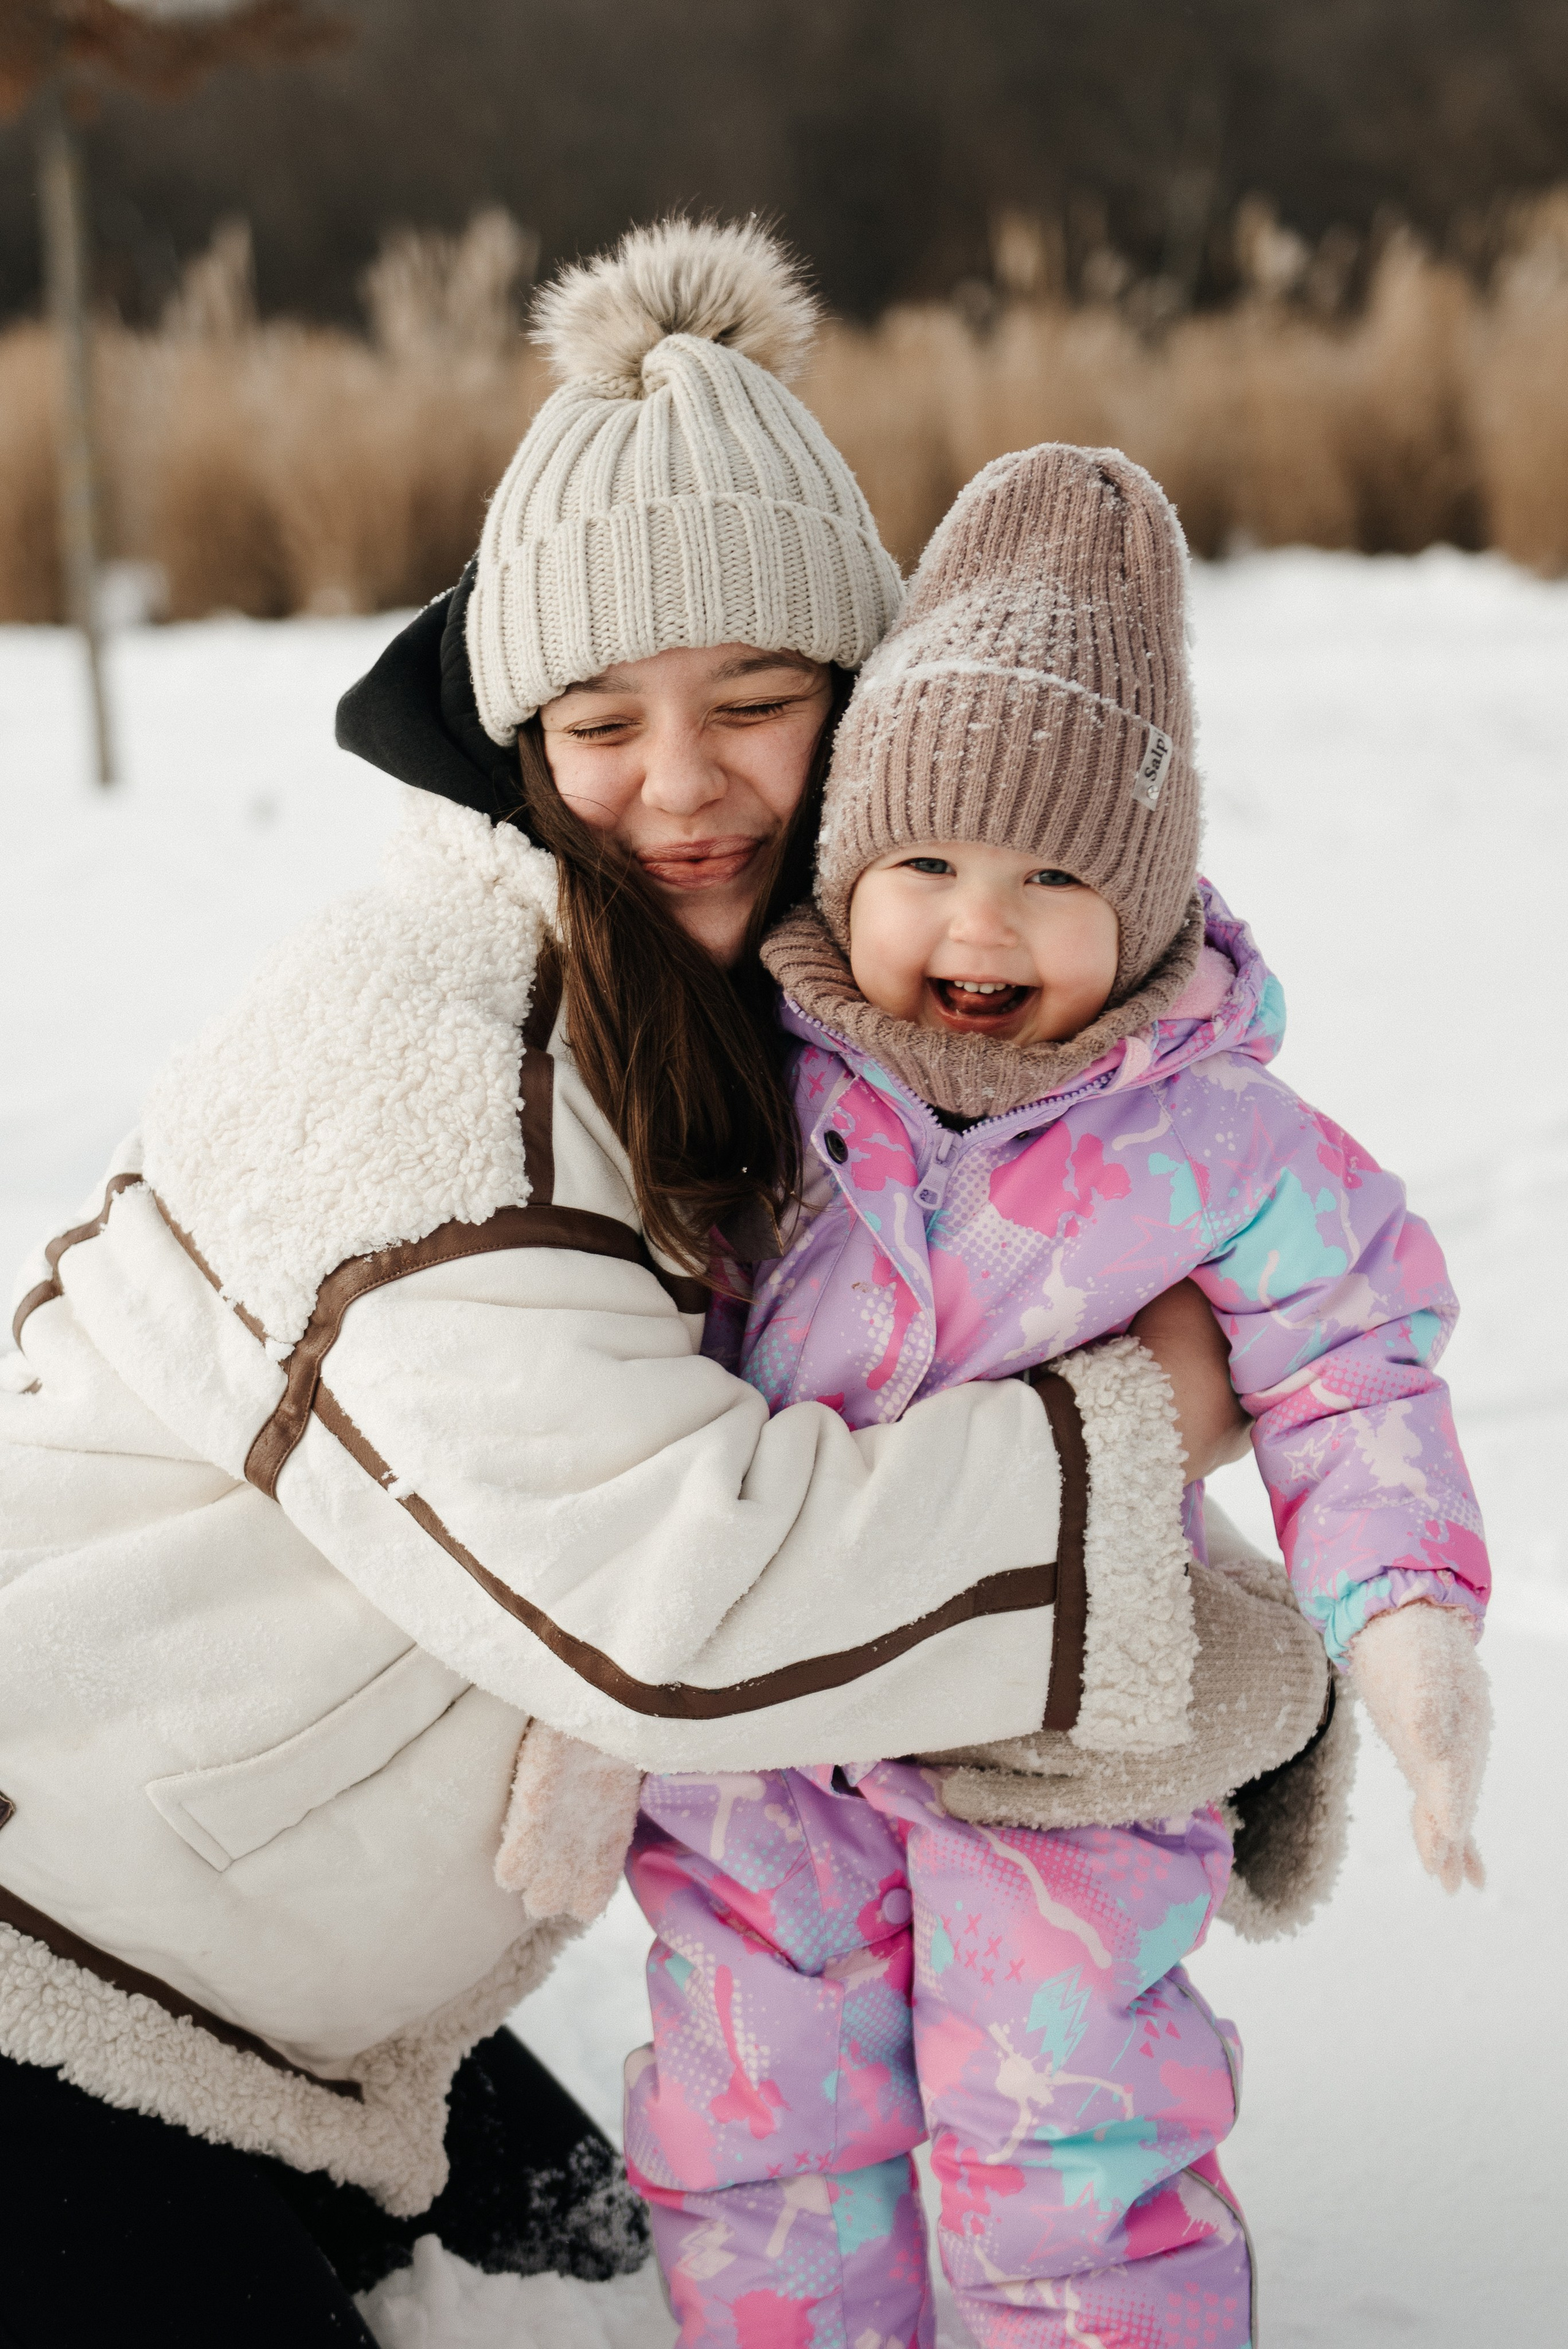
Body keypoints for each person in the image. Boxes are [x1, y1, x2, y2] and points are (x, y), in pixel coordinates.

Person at [0, 224, 1239, 2343]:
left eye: (758, 704)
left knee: (643, 2284)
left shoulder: (763, 1028)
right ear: (513, 729)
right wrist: (1144, 1433)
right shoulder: (430, 1048)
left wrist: (1234, 1649)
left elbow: (883, 1404)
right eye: (604, 721)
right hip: (59, 1971)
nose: (683, 787)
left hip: (325, 2028)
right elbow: (675, 1598)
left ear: (859, 707)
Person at [622, 443, 1493, 2347]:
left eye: (1051, 875)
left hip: (1071, 1748)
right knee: (759, 2125)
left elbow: (1353, 1365)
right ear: (851, 863)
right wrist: (576, 1710)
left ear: (1154, 898)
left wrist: (1406, 1614)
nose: (977, 930)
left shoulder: (1222, 1139)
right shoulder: (749, 1096)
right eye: (925, 864)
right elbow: (635, 1413)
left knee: (1072, 2148)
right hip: (770, 1749)